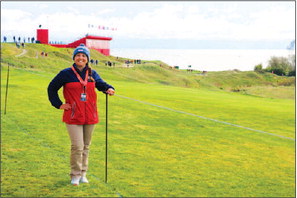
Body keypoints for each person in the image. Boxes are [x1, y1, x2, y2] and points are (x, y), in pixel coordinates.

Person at [47, 44, 115, 186]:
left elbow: (101, 84)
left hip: (90, 115)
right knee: (77, 146)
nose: (81, 58)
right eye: (78, 55)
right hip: (73, 116)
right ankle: (75, 175)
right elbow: (52, 88)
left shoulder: (92, 73)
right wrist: (59, 104)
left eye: (84, 56)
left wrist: (109, 88)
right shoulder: (65, 73)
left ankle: (84, 173)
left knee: (86, 146)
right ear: (74, 58)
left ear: (87, 59)